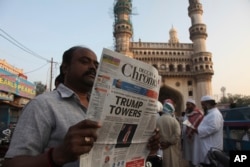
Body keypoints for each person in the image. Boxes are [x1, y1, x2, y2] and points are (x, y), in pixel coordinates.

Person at [3, 46, 160, 167]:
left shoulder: (105, 106)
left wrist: (146, 145)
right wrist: (57, 155)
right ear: (65, 68)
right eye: (85, 62)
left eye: (96, 64)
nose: (93, 67)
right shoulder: (43, 105)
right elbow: (11, 164)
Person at [197, 95, 224, 167]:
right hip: (208, 145)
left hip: (212, 145)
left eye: (203, 105)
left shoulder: (215, 114)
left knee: (211, 163)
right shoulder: (210, 113)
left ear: (208, 104)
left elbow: (214, 127)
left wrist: (199, 130)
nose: (202, 107)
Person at [156, 99, 181, 167]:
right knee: (172, 163)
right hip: (171, 147)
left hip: (161, 147)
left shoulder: (158, 120)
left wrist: (162, 143)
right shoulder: (174, 121)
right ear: (172, 110)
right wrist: (168, 143)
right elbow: (177, 135)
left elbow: (155, 133)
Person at [182, 99, 204, 167]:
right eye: (186, 104)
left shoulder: (199, 113)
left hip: (196, 137)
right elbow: (184, 124)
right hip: (187, 137)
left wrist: (190, 126)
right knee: (189, 155)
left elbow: (201, 125)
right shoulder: (186, 114)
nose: (187, 106)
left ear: (193, 105)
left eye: (188, 104)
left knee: (196, 154)